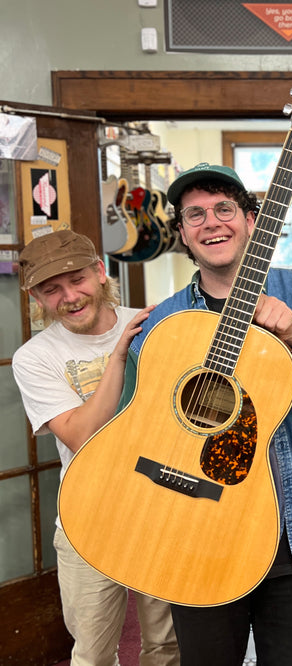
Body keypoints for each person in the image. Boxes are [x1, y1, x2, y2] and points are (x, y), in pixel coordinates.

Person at [117, 162, 292, 665]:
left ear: (252, 221)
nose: (211, 222)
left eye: (224, 209)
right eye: (194, 214)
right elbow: (131, 432)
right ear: (181, 234)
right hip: (193, 537)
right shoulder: (161, 324)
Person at [12, 229, 179, 666]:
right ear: (37, 298)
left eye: (78, 279)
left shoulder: (156, 323)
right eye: (52, 290)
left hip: (161, 507)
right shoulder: (34, 358)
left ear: (101, 273)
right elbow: (81, 434)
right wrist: (120, 356)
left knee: (167, 646)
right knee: (92, 653)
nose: (70, 296)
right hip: (88, 518)